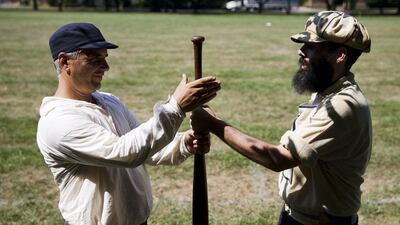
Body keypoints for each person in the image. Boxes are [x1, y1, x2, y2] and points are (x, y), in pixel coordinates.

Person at [191, 11, 372, 225]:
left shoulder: (342, 107)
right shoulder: (328, 91)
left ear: (340, 56)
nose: (301, 51)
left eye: (311, 46)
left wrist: (212, 124)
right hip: (298, 215)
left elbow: (276, 158)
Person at [36, 23, 221, 225]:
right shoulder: (58, 122)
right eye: (95, 59)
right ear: (65, 62)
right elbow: (125, 153)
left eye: (104, 58)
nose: (106, 67)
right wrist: (175, 107)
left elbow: (146, 148)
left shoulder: (108, 101)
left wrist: (185, 142)